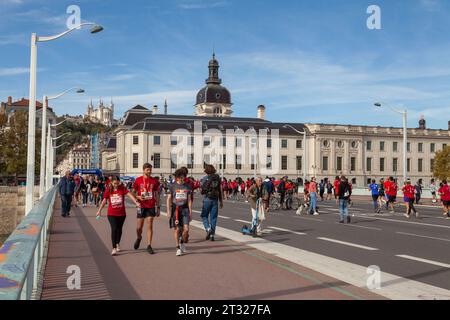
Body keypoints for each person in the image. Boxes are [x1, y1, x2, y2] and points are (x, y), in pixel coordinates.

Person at [97, 176, 139, 256]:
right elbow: (104, 200)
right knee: (114, 229)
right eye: (114, 183)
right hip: (111, 213)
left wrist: (136, 202)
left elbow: (129, 195)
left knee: (119, 229)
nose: (116, 185)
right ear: (111, 183)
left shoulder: (122, 188)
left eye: (117, 183)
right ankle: (113, 248)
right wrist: (99, 210)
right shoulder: (108, 190)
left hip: (121, 213)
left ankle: (117, 243)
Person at [133, 163, 160, 254]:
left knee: (150, 225)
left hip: (151, 205)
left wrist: (158, 207)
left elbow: (156, 194)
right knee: (139, 228)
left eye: (150, 170)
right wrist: (138, 197)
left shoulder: (154, 181)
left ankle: (149, 245)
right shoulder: (138, 180)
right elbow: (133, 192)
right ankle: (139, 237)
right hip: (141, 206)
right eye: (148, 170)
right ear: (143, 170)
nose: (149, 171)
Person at [167, 169, 193, 256]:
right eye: (180, 177)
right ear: (177, 177)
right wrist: (168, 210)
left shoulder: (187, 186)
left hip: (185, 209)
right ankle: (177, 247)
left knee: (186, 230)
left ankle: (182, 241)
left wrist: (190, 211)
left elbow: (189, 200)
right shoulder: (172, 186)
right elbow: (169, 199)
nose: (182, 179)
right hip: (176, 210)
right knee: (177, 229)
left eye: (183, 177)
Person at [200, 165, 223, 241]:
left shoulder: (205, 178)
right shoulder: (218, 178)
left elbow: (202, 189)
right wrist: (221, 201)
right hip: (215, 200)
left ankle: (208, 228)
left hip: (207, 199)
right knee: (213, 218)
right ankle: (212, 235)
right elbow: (220, 190)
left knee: (204, 215)